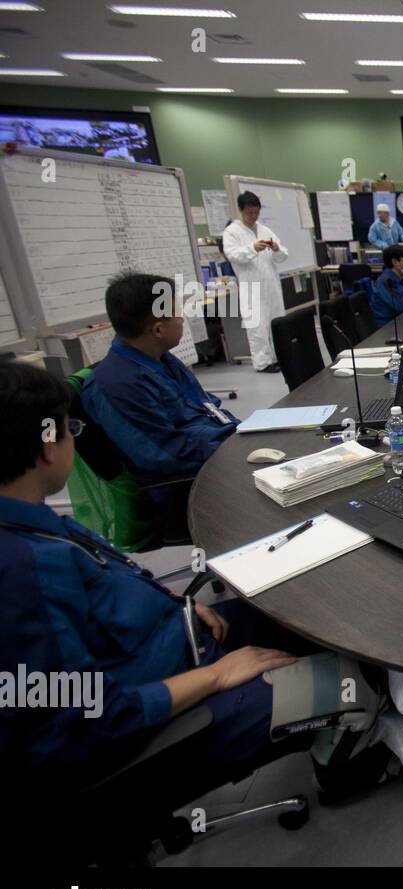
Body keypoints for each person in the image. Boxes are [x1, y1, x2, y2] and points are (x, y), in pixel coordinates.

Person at [0, 362, 314, 853]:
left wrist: (176, 602)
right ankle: (354, 762)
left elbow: (105, 576)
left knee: (299, 613)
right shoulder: (20, 574)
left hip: (165, 644)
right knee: (343, 681)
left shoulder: (25, 517)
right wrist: (215, 676)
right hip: (151, 722)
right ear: (46, 447)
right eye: (70, 428)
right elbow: (83, 721)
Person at [81, 272, 238, 490]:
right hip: (189, 483)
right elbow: (165, 455)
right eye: (177, 314)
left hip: (215, 452)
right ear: (158, 330)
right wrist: (232, 444)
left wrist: (242, 433)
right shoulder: (118, 384)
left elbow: (205, 407)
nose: (182, 319)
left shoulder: (160, 359)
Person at [220, 190, 287, 372]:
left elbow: (283, 255)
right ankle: (263, 362)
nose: (253, 216)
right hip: (251, 286)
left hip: (270, 284)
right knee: (257, 326)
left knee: (276, 322)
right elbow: (232, 255)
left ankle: (278, 357)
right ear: (241, 210)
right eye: (250, 213)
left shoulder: (264, 230)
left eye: (256, 212)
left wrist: (276, 249)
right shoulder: (232, 232)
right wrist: (252, 248)